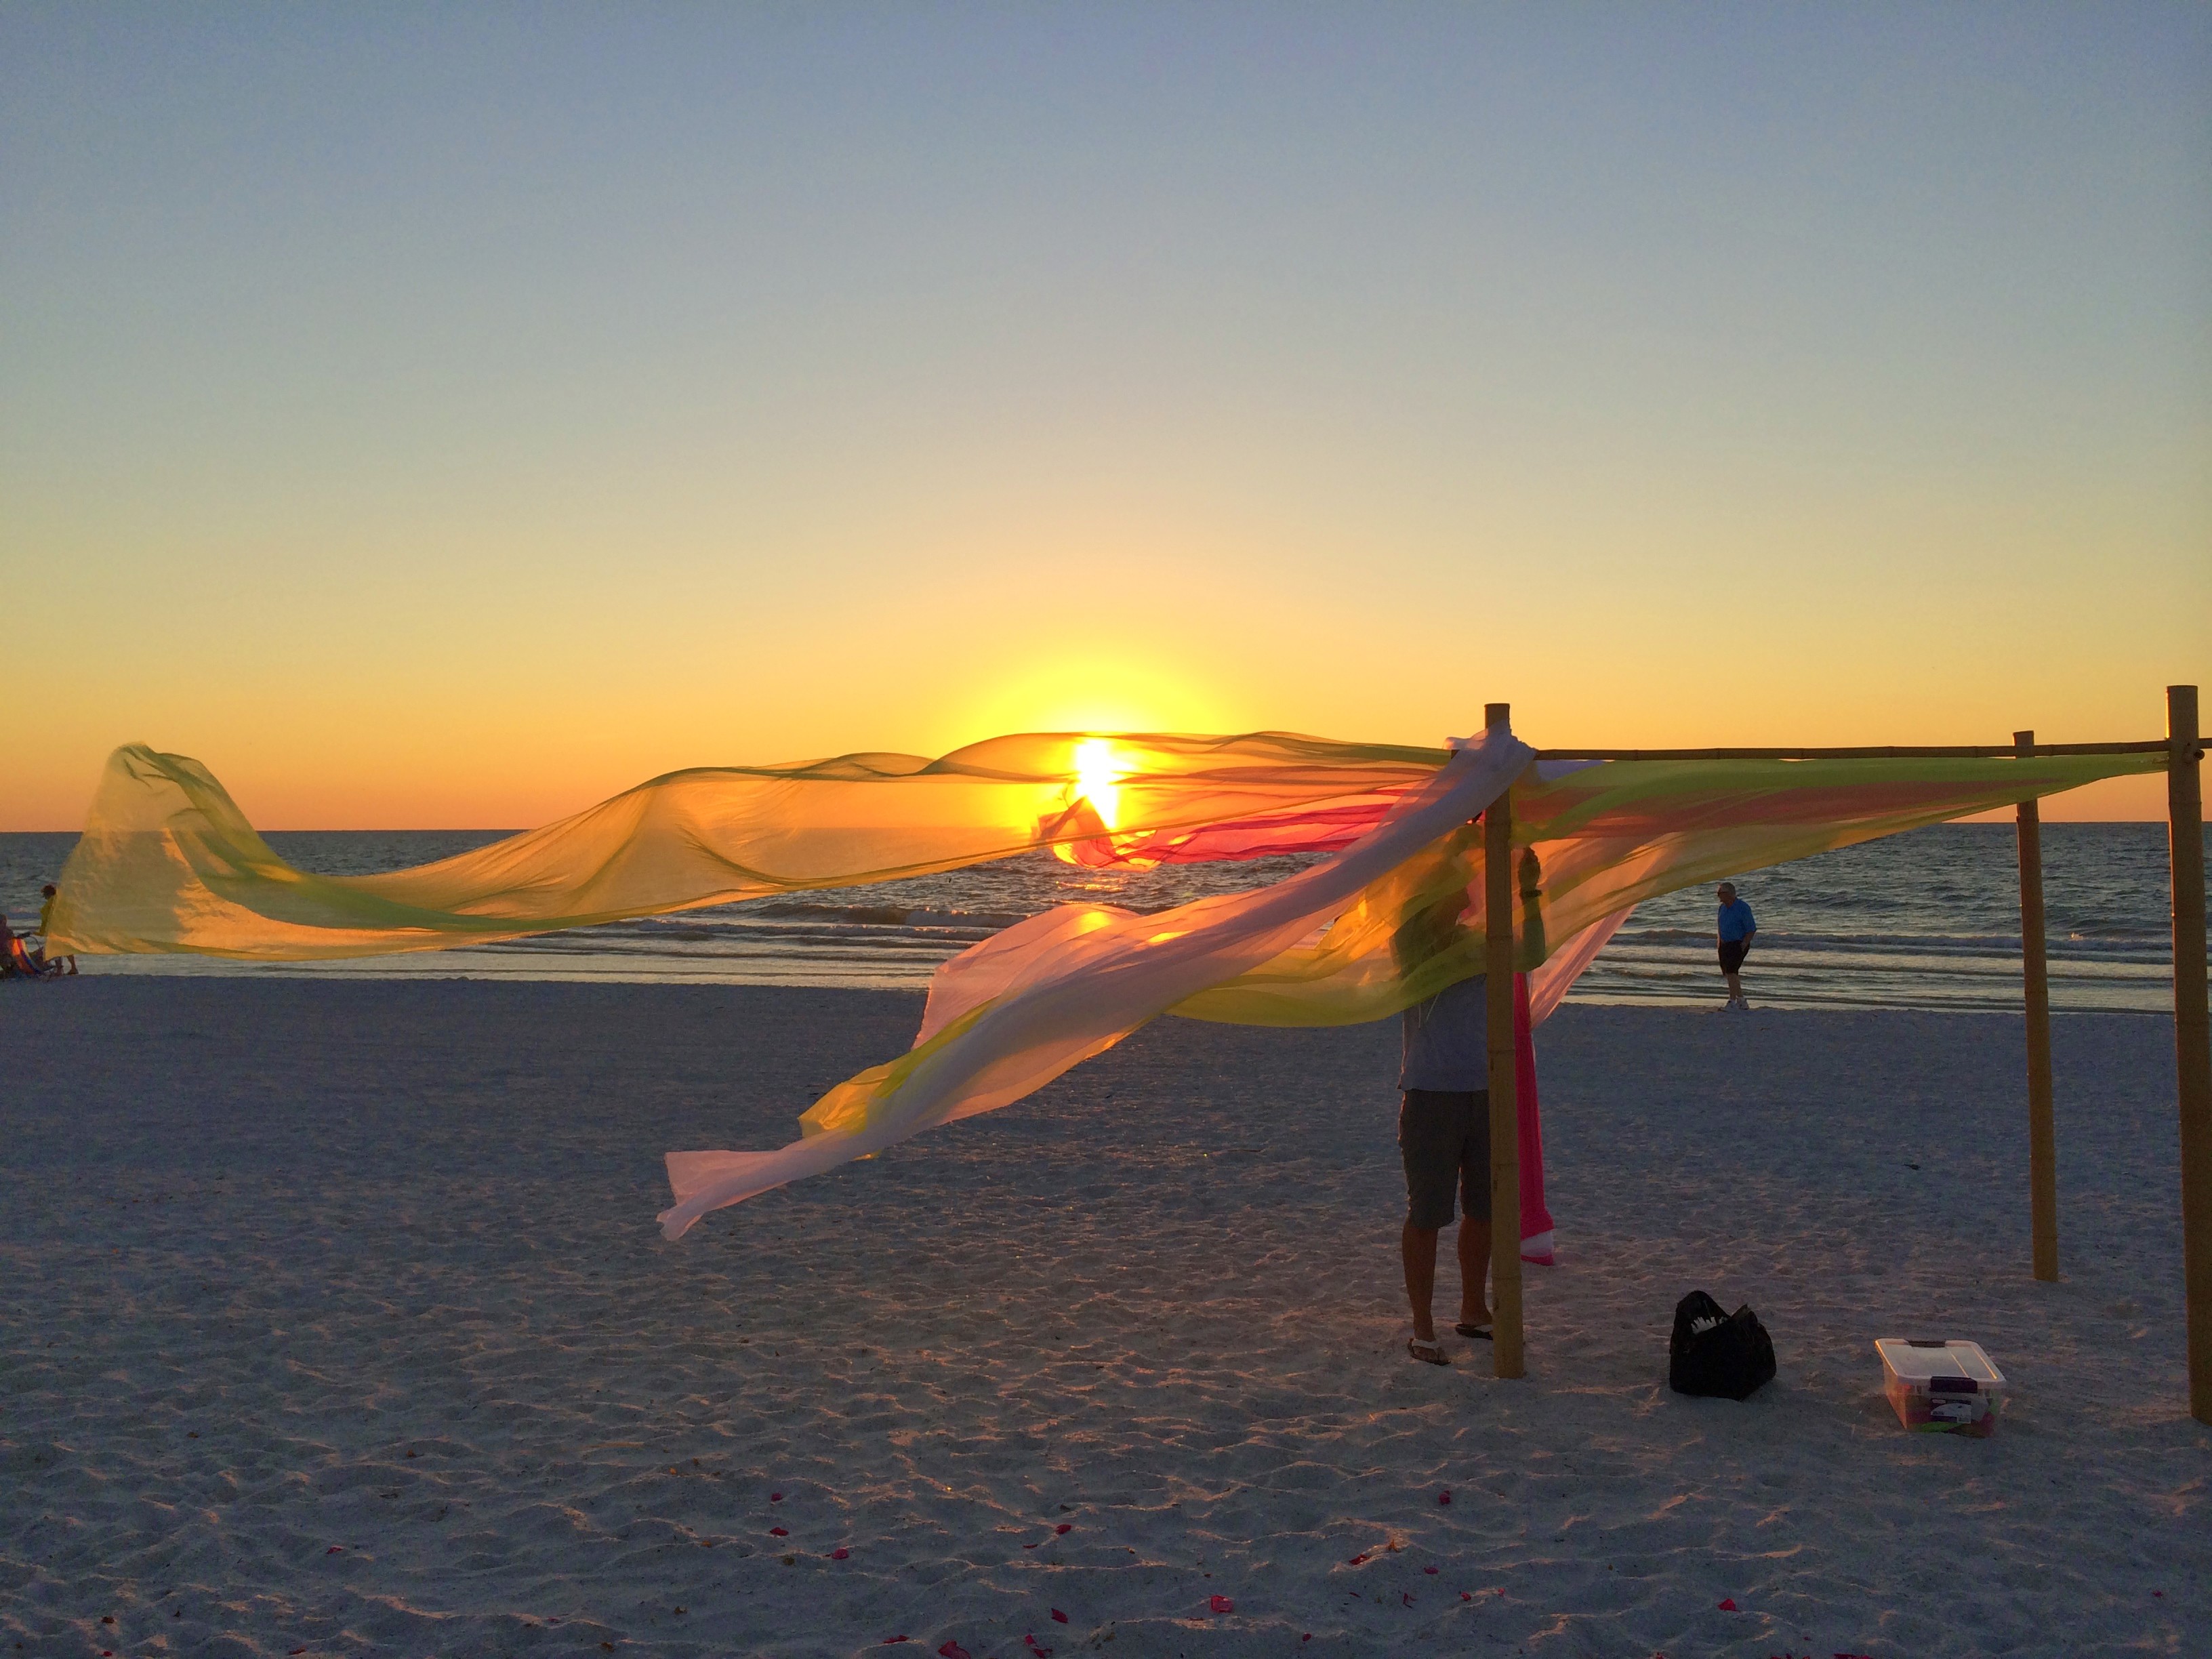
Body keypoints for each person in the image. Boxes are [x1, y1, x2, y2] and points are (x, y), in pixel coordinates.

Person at [1392, 827, 1493, 1366]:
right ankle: (1423, 1327)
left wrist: (1525, 893)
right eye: (1459, 888)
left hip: (1485, 1087)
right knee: (1429, 1213)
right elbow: (1424, 922)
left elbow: (1532, 952)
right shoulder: (1412, 941)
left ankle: (1474, 1308)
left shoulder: (1476, 941)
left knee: (1486, 1207)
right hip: (1432, 1091)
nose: (1469, 894)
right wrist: (1456, 844)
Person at [1716, 881, 1757, 1009]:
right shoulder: (1722, 908)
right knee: (1729, 973)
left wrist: (1744, 943)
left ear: (1729, 894)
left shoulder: (1742, 907)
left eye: (1720, 893)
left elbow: (1751, 928)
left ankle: (1732, 1001)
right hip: (1725, 944)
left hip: (1739, 942)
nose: (1718, 896)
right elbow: (1720, 927)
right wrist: (1719, 943)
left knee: (1732, 971)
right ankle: (1742, 1001)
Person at [37, 884, 77, 975]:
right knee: (66, 948)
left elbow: (47, 917)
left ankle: (59, 969)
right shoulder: (61, 901)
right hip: (65, 928)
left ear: (48, 894)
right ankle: (73, 968)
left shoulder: (52, 902)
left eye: (45, 895)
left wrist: (42, 931)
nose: (44, 897)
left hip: (56, 929)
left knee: (56, 949)